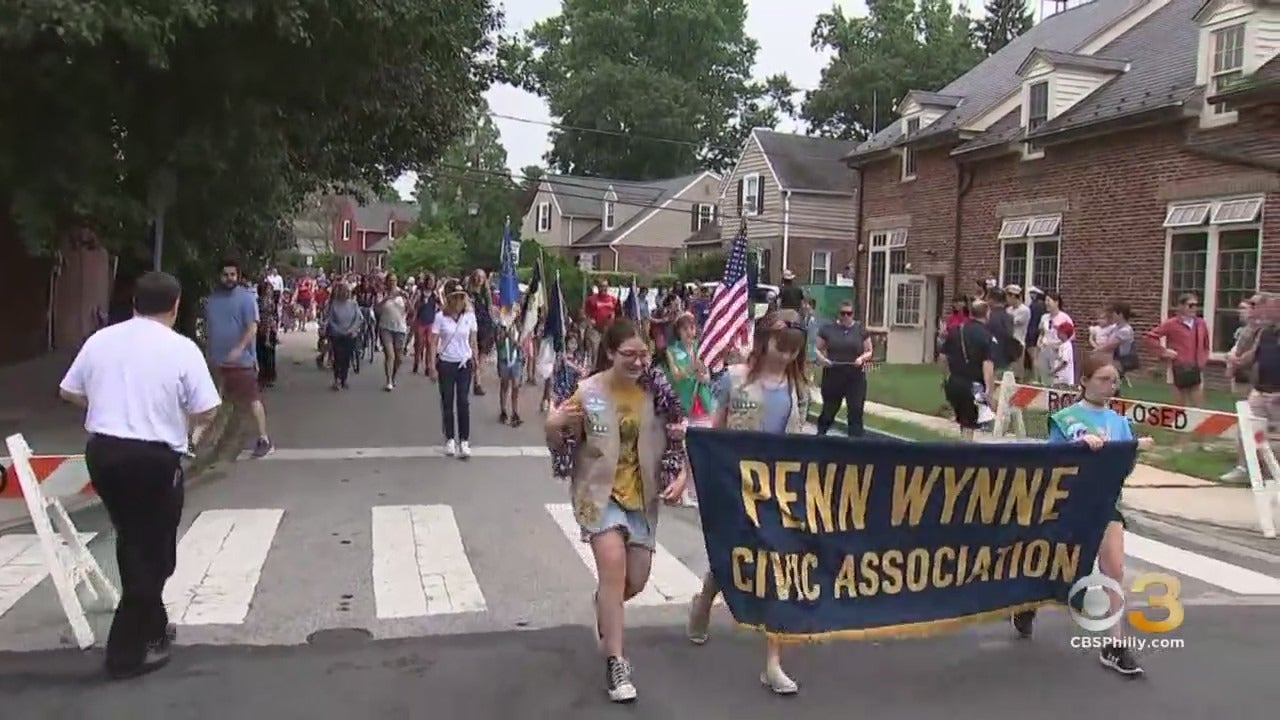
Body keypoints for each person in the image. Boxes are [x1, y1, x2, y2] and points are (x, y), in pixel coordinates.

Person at [59, 271, 221, 679]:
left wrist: (105, 408)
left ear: (133, 303)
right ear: (176, 304)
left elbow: (68, 390)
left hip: (105, 453)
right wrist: (189, 434)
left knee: (133, 539)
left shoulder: (101, 340)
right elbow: (208, 408)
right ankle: (125, 652)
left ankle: (153, 626)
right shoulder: (181, 349)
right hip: (153, 459)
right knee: (158, 552)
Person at [544, 319, 688, 703]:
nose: (639, 362)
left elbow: (676, 432)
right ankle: (616, 663)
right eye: (629, 355)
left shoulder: (655, 391)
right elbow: (560, 440)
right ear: (610, 352)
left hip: (643, 496)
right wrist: (554, 423)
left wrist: (682, 474)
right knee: (613, 570)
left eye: (644, 354)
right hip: (599, 494)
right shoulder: (588, 391)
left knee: (636, 580)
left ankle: (605, 608)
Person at [686, 309, 809, 694]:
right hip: (738, 484)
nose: (787, 355)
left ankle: (772, 662)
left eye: (793, 350)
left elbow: (800, 435)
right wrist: (700, 473)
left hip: (779, 488)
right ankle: (706, 597)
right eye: (781, 347)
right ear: (763, 341)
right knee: (734, 558)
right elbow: (716, 429)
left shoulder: (797, 386)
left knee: (778, 569)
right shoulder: (735, 379)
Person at [1011, 352, 1154, 676]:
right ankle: (1026, 604)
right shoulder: (1065, 418)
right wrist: (1080, 447)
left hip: (1105, 504)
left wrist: (1132, 450)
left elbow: (1124, 468)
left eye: (1114, 381)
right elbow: (1053, 461)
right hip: (1068, 504)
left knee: (1113, 569)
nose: (1110, 387)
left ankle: (1114, 645)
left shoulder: (1120, 423)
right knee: (1053, 566)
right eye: (1103, 380)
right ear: (1085, 381)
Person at [205, 260, 273, 458]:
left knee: (252, 400)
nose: (229, 279)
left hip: (242, 361)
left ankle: (264, 439)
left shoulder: (246, 298)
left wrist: (239, 348)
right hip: (217, 359)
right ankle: (208, 442)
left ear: (239, 276)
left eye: (232, 275)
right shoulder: (212, 299)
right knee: (213, 401)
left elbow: (252, 327)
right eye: (225, 275)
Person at [430, 281, 479, 458]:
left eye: (461, 298)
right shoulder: (440, 317)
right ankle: (450, 439)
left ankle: (464, 441)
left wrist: (476, 362)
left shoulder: (470, 317)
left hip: (464, 362)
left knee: (463, 402)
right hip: (446, 362)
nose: (458, 301)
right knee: (447, 401)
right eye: (455, 298)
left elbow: (473, 341)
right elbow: (433, 341)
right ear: (449, 300)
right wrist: (431, 366)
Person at [813, 299, 873, 436]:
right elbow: (817, 349)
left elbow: (869, 350)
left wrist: (861, 358)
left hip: (855, 376)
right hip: (833, 374)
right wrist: (823, 360)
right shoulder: (828, 329)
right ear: (838, 314)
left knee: (856, 411)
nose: (846, 317)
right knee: (829, 411)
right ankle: (820, 436)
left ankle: (855, 446)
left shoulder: (860, 330)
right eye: (843, 313)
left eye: (849, 313)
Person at [941, 300, 998, 440]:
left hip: (954, 382)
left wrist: (945, 377)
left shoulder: (955, 330)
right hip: (974, 386)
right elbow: (988, 366)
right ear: (987, 313)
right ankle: (965, 456)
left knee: (963, 421)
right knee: (970, 425)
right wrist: (989, 393)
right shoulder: (986, 336)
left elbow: (942, 357)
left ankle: (962, 452)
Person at [1144, 292, 1210, 408]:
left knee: (1199, 406)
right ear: (1181, 306)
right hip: (1177, 368)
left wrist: (1203, 360)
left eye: (1196, 305)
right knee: (1179, 406)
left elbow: (1205, 344)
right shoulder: (1171, 324)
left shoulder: (1201, 323)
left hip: (1196, 368)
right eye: (1190, 305)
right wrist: (1164, 351)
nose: (1194, 308)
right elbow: (1150, 337)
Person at [324, 282, 364, 390]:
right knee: (337, 357)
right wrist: (338, 330)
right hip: (337, 334)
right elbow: (330, 320)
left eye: (347, 291)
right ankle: (337, 378)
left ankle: (344, 378)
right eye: (343, 291)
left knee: (346, 358)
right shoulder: (334, 304)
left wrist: (352, 329)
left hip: (350, 334)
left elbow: (359, 318)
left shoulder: (353, 304)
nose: (345, 293)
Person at [377, 272, 410, 391]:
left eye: (394, 281)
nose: (392, 283)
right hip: (385, 327)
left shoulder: (401, 293)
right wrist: (388, 298)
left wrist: (407, 297)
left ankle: (394, 375)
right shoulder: (382, 293)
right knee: (390, 355)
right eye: (390, 280)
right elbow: (377, 308)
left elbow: (410, 309)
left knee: (399, 358)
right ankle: (389, 380)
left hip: (400, 327)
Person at [496, 320, 525, 426]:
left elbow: (521, 345)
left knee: (516, 386)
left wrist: (514, 340)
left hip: (516, 360)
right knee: (504, 385)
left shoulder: (519, 326)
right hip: (504, 359)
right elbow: (498, 344)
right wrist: (504, 336)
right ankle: (503, 411)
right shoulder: (501, 326)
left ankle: (515, 411)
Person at [412, 274, 441, 374]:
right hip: (421, 320)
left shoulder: (434, 294)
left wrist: (439, 297)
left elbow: (442, 305)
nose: (430, 283)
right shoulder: (420, 293)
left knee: (430, 344)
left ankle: (428, 366)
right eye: (429, 281)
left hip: (431, 321)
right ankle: (416, 361)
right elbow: (414, 306)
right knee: (419, 343)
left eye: (432, 282)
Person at [255, 278, 279, 388]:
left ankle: (267, 376)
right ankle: (266, 376)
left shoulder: (268, 302)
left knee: (267, 354)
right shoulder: (261, 302)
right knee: (264, 354)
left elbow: (273, 316)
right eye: (269, 289)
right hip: (263, 329)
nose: (270, 291)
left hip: (267, 329)